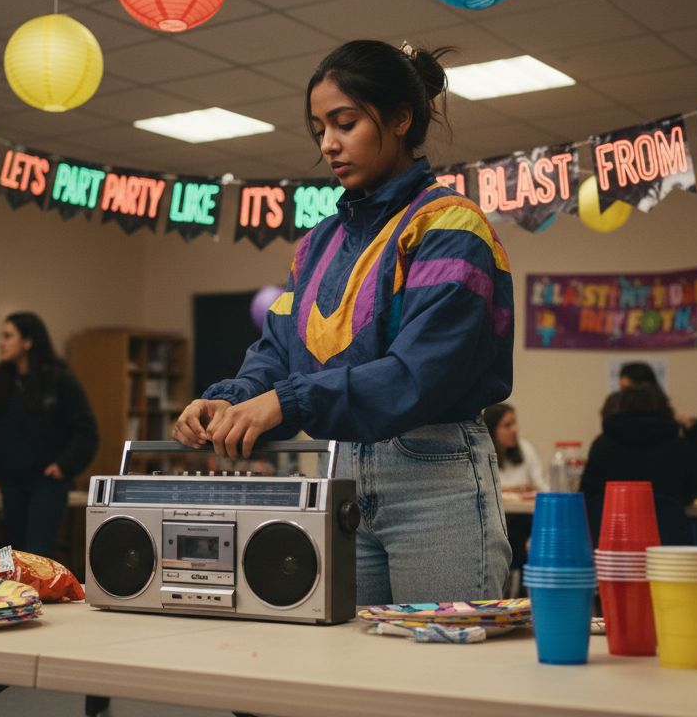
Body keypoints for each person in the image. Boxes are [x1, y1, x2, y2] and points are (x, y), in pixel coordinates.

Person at [174, 40, 514, 605]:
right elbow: (277, 352)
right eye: (319, 129)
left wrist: (288, 403)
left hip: (435, 479)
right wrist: (232, 403)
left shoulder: (452, 226)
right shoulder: (315, 246)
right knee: (349, 677)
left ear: (402, 119)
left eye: (345, 122)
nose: (328, 144)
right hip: (339, 477)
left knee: (440, 676)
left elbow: (418, 376)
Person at [0, 312, 97, 558]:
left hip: (46, 480)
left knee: (38, 552)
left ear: (28, 341)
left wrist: (64, 465)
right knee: (13, 553)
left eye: (8, 336)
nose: (1, 342)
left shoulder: (59, 379)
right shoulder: (0, 381)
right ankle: (19, 597)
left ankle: (42, 595)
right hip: (10, 480)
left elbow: (86, 430)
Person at [580, 384, 697, 545]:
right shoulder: (679, 446)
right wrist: (696, 432)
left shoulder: (603, 445)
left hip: (612, 545)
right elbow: (696, 490)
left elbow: (587, 494)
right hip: (667, 545)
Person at [618, 361, 697, 496]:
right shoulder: (615, 433)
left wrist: (694, 431)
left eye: (628, 390)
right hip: (666, 509)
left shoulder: (671, 436)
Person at [483, 403, 546, 584]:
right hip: (498, 522)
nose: (514, 430)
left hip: (525, 521)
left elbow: (542, 487)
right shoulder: (485, 453)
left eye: (515, 424)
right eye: (507, 425)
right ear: (492, 429)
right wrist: (512, 489)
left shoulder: (526, 449)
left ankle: (521, 586)